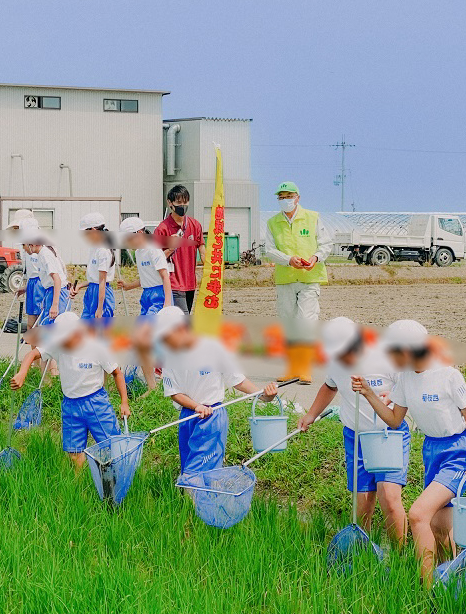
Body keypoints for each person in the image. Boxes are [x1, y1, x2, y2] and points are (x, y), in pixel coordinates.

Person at [351, 319, 466, 585]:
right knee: (439, 525)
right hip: (431, 452)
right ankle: (456, 581)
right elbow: (394, 419)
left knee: (418, 514)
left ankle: (426, 589)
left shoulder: (448, 375)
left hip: (457, 452)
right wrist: (369, 393)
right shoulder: (404, 379)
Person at [299, 317, 409, 546]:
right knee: (363, 503)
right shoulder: (335, 362)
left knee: (388, 497)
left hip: (387, 435)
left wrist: (392, 396)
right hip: (356, 436)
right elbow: (330, 386)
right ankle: (364, 553)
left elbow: (407, 385)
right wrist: (311, 415)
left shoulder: (386, 356)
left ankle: (401, 559)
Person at [153, 306, 277, 475]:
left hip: (212, 416)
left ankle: (202, 499)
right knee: (187, 466)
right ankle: (190, 500)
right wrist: (196, 406)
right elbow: (174, 392)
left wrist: (263, 395)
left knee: (199, 471)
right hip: (188, 416)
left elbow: (238, 380)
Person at [10, 312, 131, 469]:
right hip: (70, 405)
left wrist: (124, 402)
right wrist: (22, 373)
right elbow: (32, 354)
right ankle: (79, 486)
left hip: (96, 403)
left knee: (111, 445)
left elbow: (117, 373)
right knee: (74, 453)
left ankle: (114, 477)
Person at [263, 182, 332, 384]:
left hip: (310, 278)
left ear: (298, 198)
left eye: (289, 196)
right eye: (281, 197)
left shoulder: (313, 218)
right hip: (286, 278)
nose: (286, 200)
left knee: (306, 321)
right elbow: (269, 250)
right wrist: (288, 260)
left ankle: (304, 368)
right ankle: (292, 368)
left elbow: (325, 244)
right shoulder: (273, 222)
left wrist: (315, 258)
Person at [117, 216, 173, 389]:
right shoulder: (139, 252)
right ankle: (153, 386)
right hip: (146, 297)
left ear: (140, 233)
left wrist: (167, 305)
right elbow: (145, 278)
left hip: (159, 297)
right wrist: (128, 286)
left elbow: (165, 277)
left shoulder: (153, 249)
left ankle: (158, 384)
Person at [154, 185, 204, 314]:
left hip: (191, 283)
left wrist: (213, 267)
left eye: (185, 202)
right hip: (173, 283)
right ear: (170, 203)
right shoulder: (162, 229)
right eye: (179, 202)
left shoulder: (195, 225)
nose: (183, 205)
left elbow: (202, 250)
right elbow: (156, 259)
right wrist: (170, 249)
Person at [71, 212, 116, 331]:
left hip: (102, 294)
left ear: (94, 230)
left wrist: (100, 308)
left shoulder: (103, 250)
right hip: (92, 291)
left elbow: (102, 281)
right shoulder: (94, 247)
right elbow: (95, 278)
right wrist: (80, 286)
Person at [19, 229, 70, 328]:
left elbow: (57, 279)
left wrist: (55, 305)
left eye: (24, 245)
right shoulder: (41, 254)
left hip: (58, 293)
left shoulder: (46, 255)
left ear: (32, 244)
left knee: (54, 327)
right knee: (46, 326)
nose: (24, 249)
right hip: (49, 292)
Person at [11, 215, 44, 334]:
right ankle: (34, 349)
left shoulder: (43, 250)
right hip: (31, 283)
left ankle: (41, 351)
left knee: (40, 323)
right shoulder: (26, 248)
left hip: (41, 285)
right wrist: (25, 288)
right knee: (31, 325)